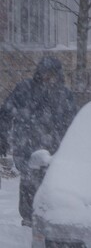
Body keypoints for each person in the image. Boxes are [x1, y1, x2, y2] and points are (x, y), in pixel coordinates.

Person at [0, 56, 77, 225]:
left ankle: (49, 218)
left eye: (52, 74)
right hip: (26, 148)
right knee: (29, 182)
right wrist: (2, 137)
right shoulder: (25, 89)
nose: (48, 77)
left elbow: (73, 123)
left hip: (54, 151)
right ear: (39, 73)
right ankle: (29, 218)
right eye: (45, 73)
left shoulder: (64, 95)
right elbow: (5, 114)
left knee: (52, 185)